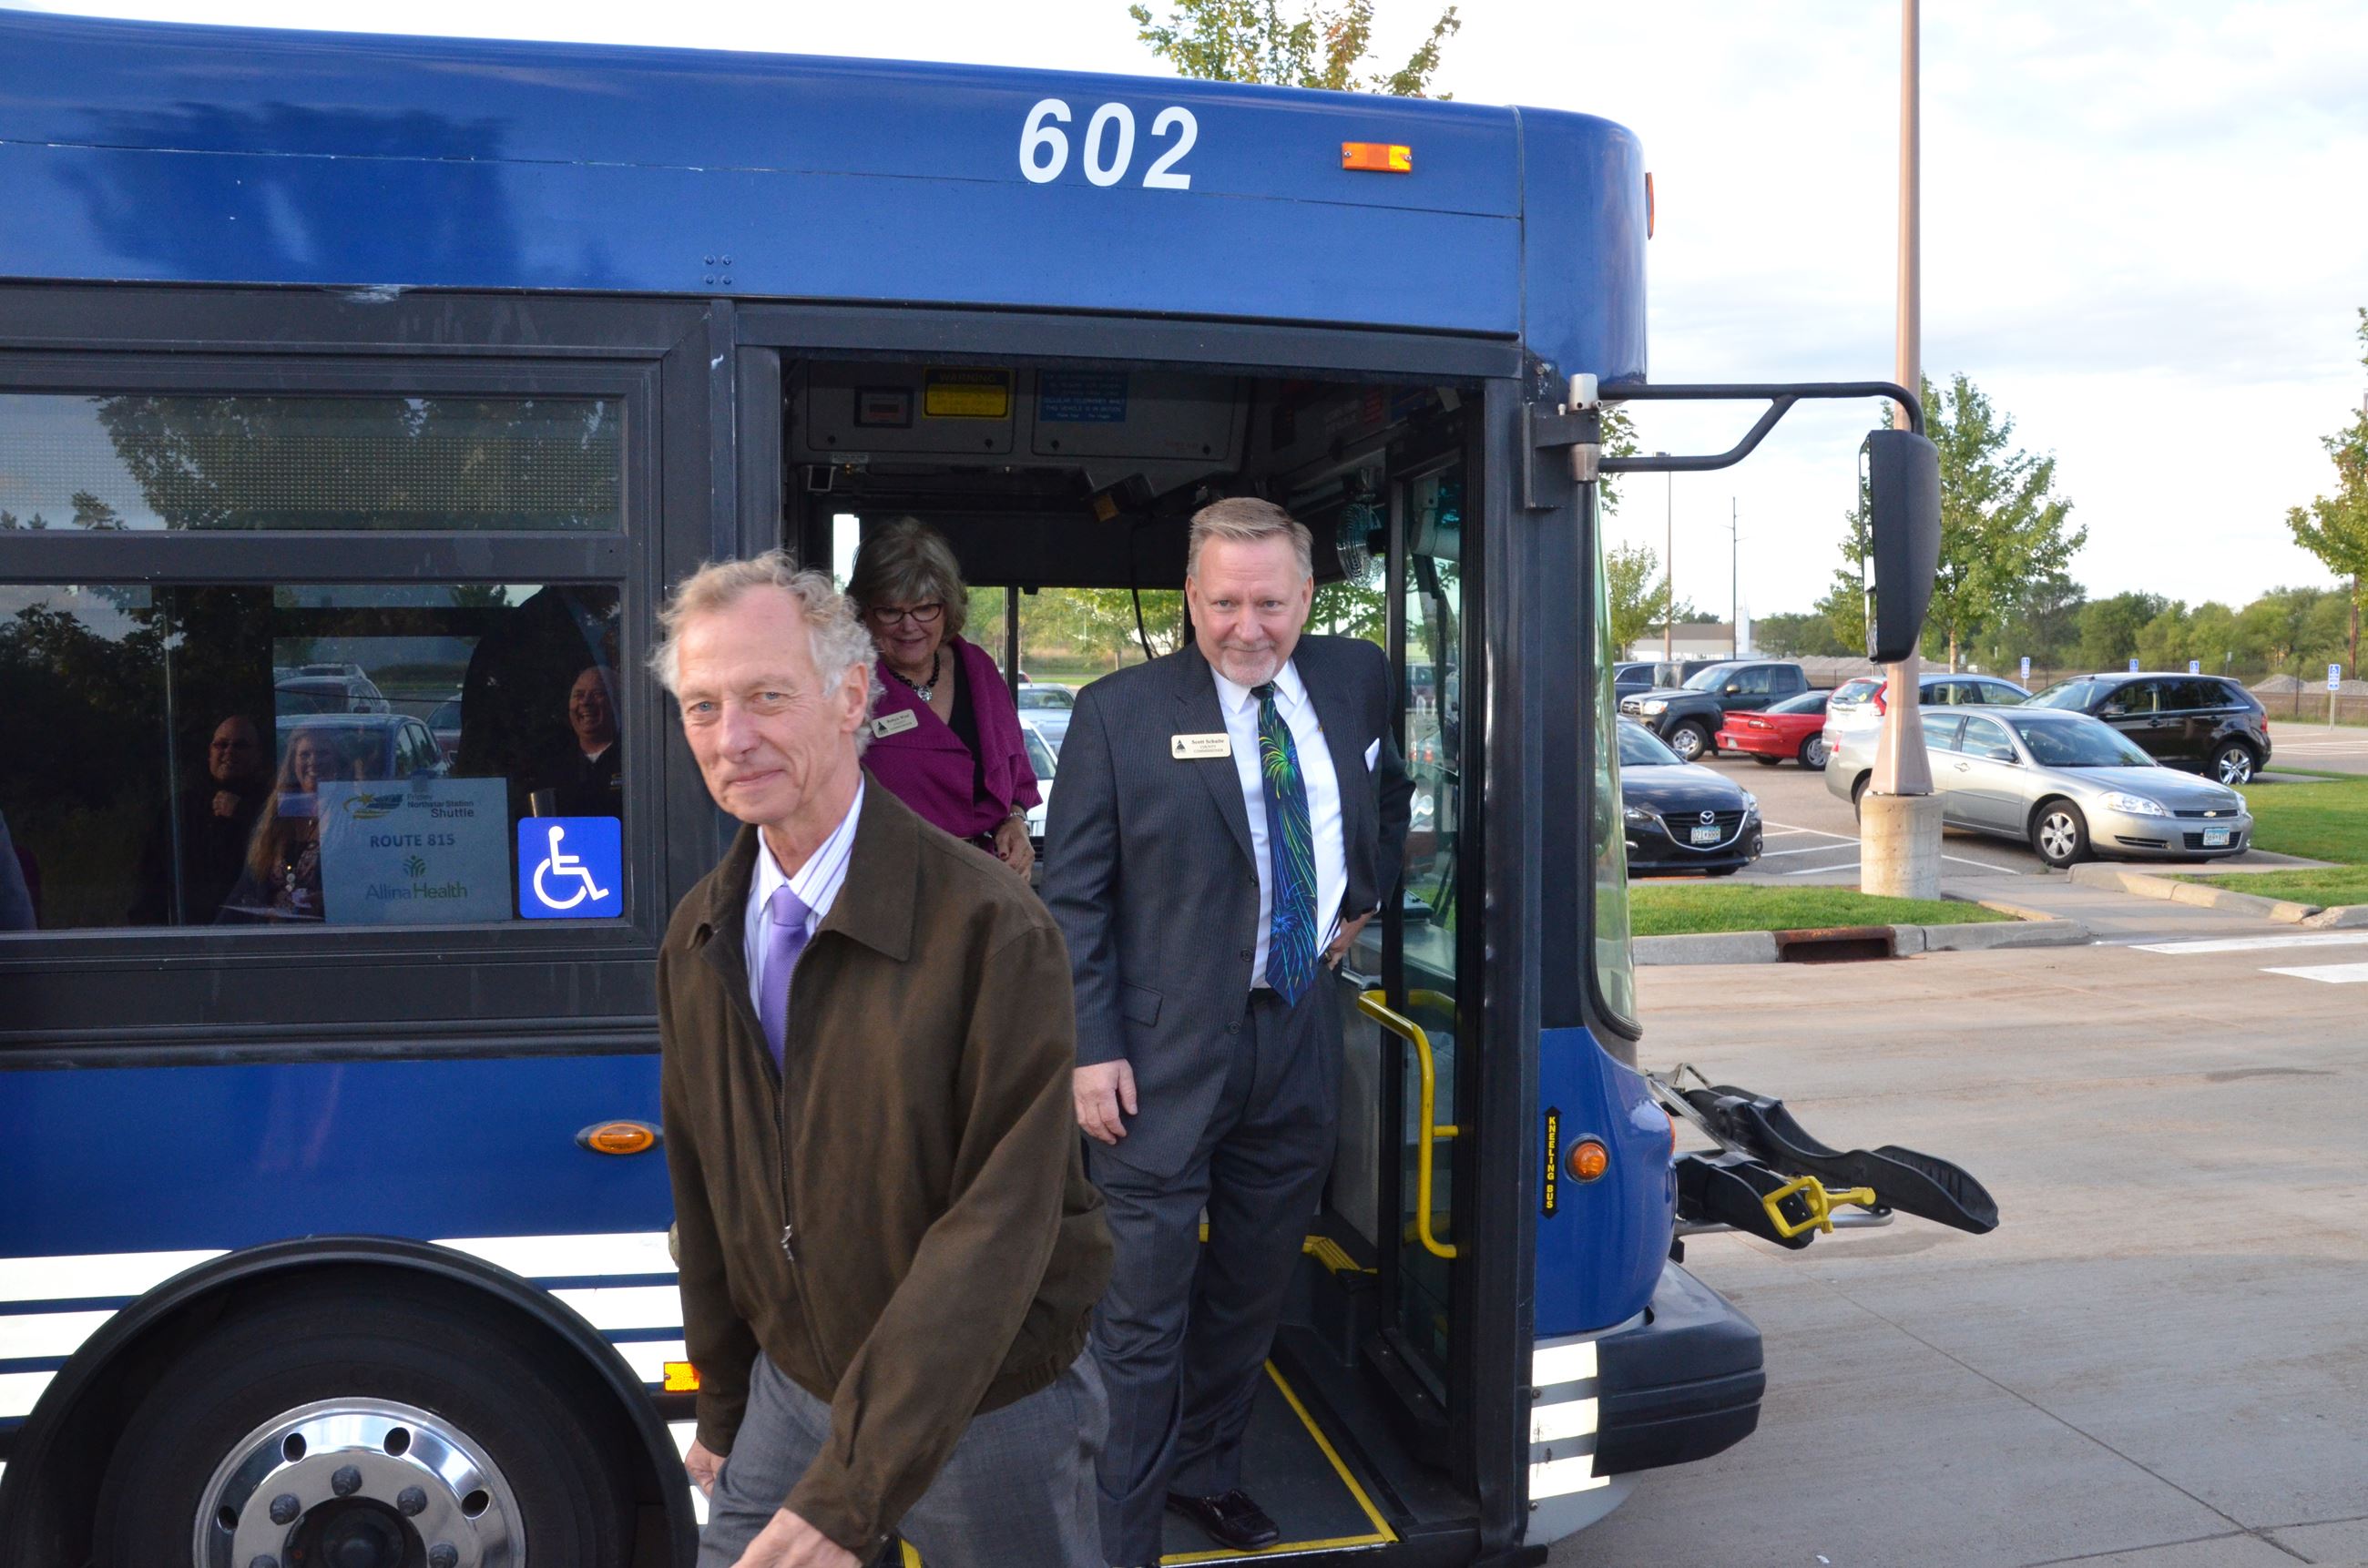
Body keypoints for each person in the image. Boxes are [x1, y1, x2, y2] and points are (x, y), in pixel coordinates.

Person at [647, 551, 1112, 1568]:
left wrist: (850, 1496)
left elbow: (1000, 1224)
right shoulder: (699, 933)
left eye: (768, 696)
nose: (732, 738)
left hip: (986, 1407)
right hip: (794, 1394)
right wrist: (723, 1408)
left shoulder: (993, 926)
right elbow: (708, 1191)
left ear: (851, 697)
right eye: (702, 707)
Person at [1043, 497, 1414, 1566]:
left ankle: (1205, 1471)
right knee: (1137, 1322)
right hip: (1153, 1060)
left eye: (1268, 604)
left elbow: (1388, 794)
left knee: (1252, 1290)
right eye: (1222, 604)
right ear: (1189, 597)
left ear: (1306, 596)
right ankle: (1115, 1539)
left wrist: (1361, 897)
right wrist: (1089, 1048)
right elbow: (1072, 898)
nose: (1245, 628)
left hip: (1293, 1034)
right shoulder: (1116, 713)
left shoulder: (1354, 677)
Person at [844, 519, 1038, 874]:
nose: (909, 625)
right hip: (884, 881)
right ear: (864, 612)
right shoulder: (845, 683)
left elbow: (1018, 777)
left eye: (924, 608)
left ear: (947, 607)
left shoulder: (977, 668)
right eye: (890, 610)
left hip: (982, 880)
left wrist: (1015, 821)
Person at [132, 715, 270, 924]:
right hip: (190, 931)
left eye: (240, 745)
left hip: (251, 929)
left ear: (257, 755)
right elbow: (152, 878)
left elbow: (274, 855)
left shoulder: (270, 805)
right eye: (221, 745)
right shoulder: (181, 808)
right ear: (209, 753)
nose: (229, 752)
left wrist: (243, 813)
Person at [218, 726, 346, 922]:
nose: (313, 761)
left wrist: (331, 901)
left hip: (330, 935)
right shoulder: (275, 815)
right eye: (305, 754)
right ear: (293, 763)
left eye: (322, 753)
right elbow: (247, 886)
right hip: (273, 936)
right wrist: (215, 935)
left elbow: (369, 885)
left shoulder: (350, 815)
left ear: (337, 760)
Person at [526, 666, 622, 817]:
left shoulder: (634, 762)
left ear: (619, 703)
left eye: (597, 694)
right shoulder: (553, 768)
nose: (585, 702)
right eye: (579, 695)